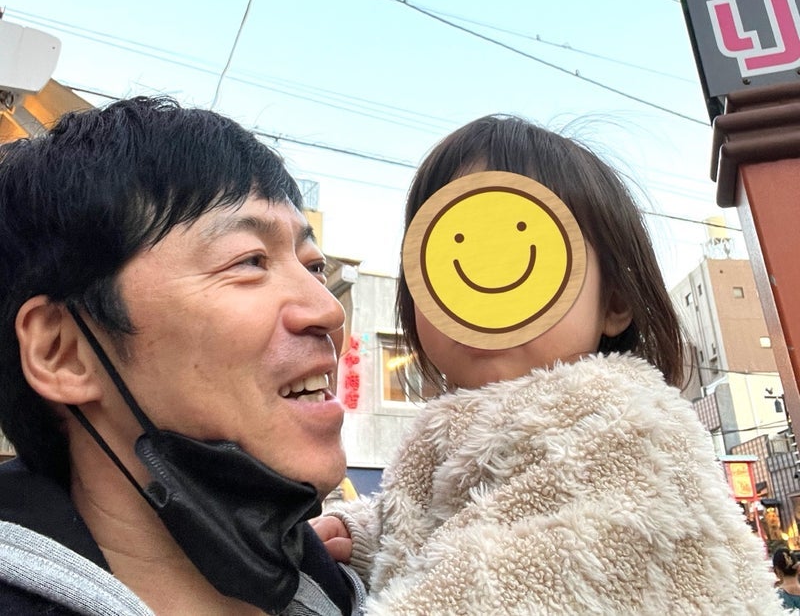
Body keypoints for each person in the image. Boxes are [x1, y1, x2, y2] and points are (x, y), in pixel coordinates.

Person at [314, 115, 782, 614]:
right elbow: (440, 521)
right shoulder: (461, 430)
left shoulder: (623, 425)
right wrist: (365, 534)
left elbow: (520, 581)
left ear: (615, 301)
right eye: (451, 254)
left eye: (516, 251)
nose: (483, 293)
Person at [0, 96, 366, 616]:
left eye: (313, 267)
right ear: (62, 353)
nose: (329, 311)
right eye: (249, 261)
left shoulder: (380, 588)